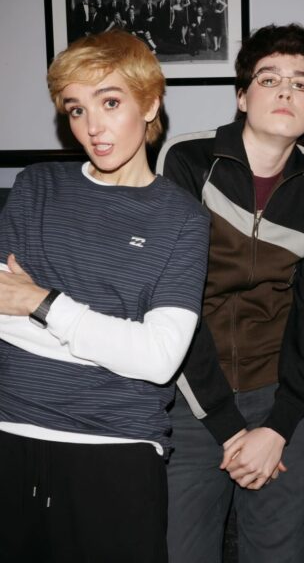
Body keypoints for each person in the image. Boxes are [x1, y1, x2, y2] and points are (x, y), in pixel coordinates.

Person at [0, 30, 209, 562]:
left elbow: (158, 359)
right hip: (9, 432)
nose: (91, 127)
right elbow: (1, 308)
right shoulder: (37, 186)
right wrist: (113, 341)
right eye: (76, 109)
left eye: (109, 102)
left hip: (116, 450)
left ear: (150, 104)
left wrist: (42, 303)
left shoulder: (182, 218)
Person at [157, 23, 304, 563]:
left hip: (283, 399)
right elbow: (173, 302)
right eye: (269, 78)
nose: (286, 91)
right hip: (192, 398)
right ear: (242, 96)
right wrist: (230, 428)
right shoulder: (188, 160)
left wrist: (278, 426)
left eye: (301, 84)